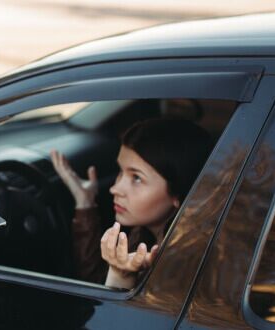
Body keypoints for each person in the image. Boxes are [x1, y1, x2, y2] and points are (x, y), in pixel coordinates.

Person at [51, 118, 212, 289]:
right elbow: (97, 282)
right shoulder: (144, 233)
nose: (115, 188)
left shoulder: (181, 267)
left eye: (136, 178)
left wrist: (122, 277)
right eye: (121, 171)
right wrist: (85, 202)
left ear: (178, 194)